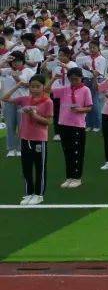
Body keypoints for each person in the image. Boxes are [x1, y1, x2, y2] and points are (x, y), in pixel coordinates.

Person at [1, 73, 53, 205]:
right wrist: (18, 85)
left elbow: (49, 121)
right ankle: (28, 193)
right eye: (32, 86)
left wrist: (34, 116)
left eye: (37, 86)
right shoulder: (24, 99)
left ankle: (39, 194)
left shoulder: (47, 101)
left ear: (43, 87)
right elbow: (5, 98)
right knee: (26, 167)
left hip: (39, 138)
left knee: (40, 167)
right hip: (25, 138)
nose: (34, 89)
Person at [50, 66, 92, 188]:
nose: (74, 81)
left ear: (81, 78)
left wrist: (79, 109)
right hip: (64, 124)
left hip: (77, 125)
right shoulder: (64, 89)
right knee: (67, 152)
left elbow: (89, 107)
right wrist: (53, 79)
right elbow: (47, 92)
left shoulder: (85, 90)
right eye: (71, 79)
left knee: (77, 152)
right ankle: (69, 177)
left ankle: (77, 177)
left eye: (76, 79)